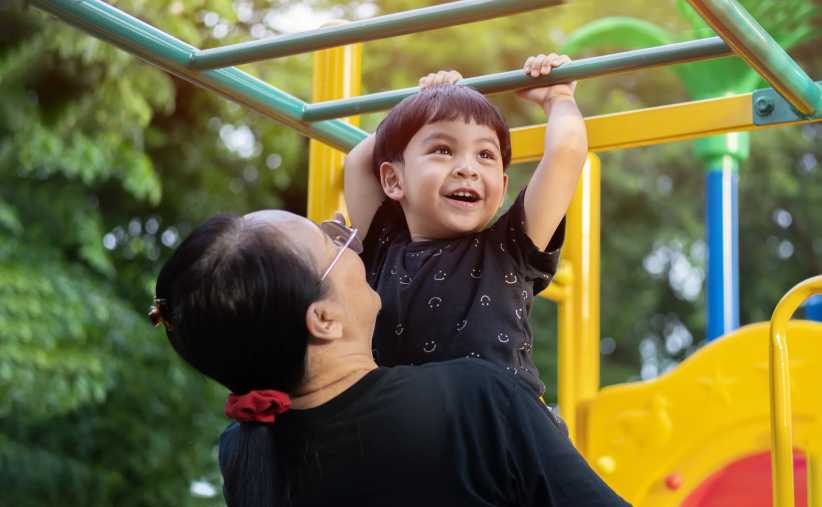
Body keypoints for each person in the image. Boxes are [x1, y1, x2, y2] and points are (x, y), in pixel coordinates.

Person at [151, 209, 630, 506]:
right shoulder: (475, 401)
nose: (348, 243)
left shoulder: (243, 451)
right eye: (331, 244)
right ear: (324, 320)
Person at [343, 54, 587, 399]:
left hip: (497, 431)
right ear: (393, 180)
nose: (467, 168)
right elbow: (358, 162)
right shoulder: (383, 244)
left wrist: (558, 97)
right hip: (407, 436)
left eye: (485, 155)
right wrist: (425, 100)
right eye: (443, 149)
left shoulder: (508, 248)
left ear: (502, 189)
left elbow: (566, 152)